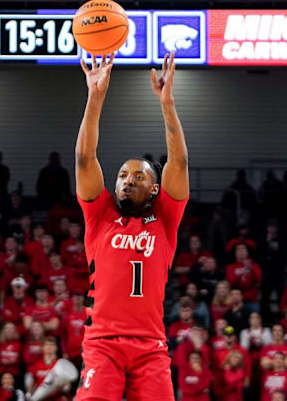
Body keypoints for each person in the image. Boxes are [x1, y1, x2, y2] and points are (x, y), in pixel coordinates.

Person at [74, 51, 189, 400]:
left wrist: (166, 103)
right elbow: (84, 157)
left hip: (150, 346)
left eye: (138, 176)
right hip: (102, 344)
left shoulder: (165, 219)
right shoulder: (99, 214)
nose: (127, 180)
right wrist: (95, 97)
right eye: (123, 175)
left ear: (154, 188)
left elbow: (179, 162)